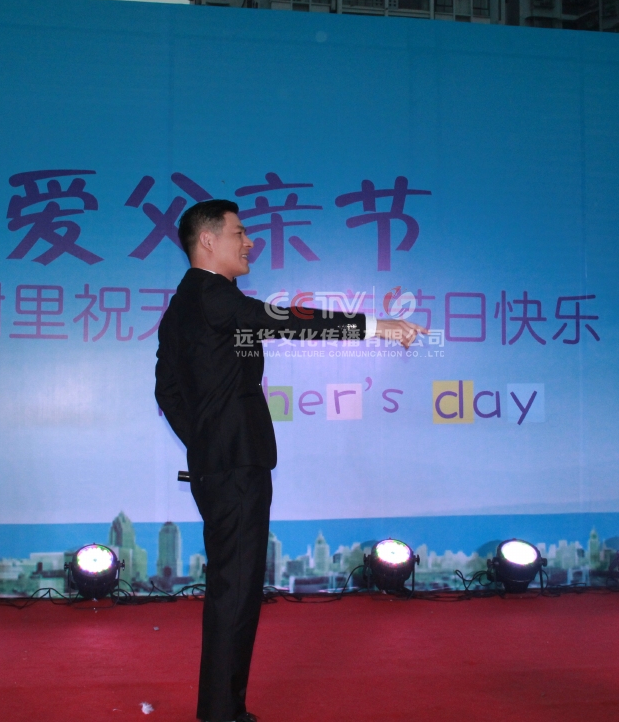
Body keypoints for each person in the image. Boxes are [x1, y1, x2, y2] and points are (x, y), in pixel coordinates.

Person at [155, 199, 424, 722]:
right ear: (207, 240)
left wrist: (206, 442)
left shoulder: (182, 304)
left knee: (232, 589)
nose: (249, 241)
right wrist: (378, 326)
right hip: (235, 465)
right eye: (238, 232)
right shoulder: (213, 295)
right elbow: (287, 320)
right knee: (236, 592)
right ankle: (222, 715)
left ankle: (222, 709)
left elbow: (167, 390)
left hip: (220, 463)